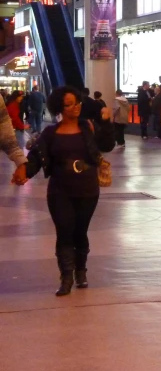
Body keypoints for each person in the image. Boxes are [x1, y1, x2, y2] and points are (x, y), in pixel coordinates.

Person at [14, 86, 115, 296]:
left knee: (80, 231)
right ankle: (66, 277)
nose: (75, 107)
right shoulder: (51, 133)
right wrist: (25, 172)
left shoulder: (88, 127)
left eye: (77, 103)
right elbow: (36, 158)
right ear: (59, 107)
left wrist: (106, 122)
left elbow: (107, 144)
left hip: (87, 188)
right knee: (64, 231)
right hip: (60, 190)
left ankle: (81, 271)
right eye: (69, 104)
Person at [1, 94, 28, 185]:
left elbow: (5, 131)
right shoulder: (13, 106)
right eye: (20, 96)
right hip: (16, 128)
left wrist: (20, 162)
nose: (21, 98)